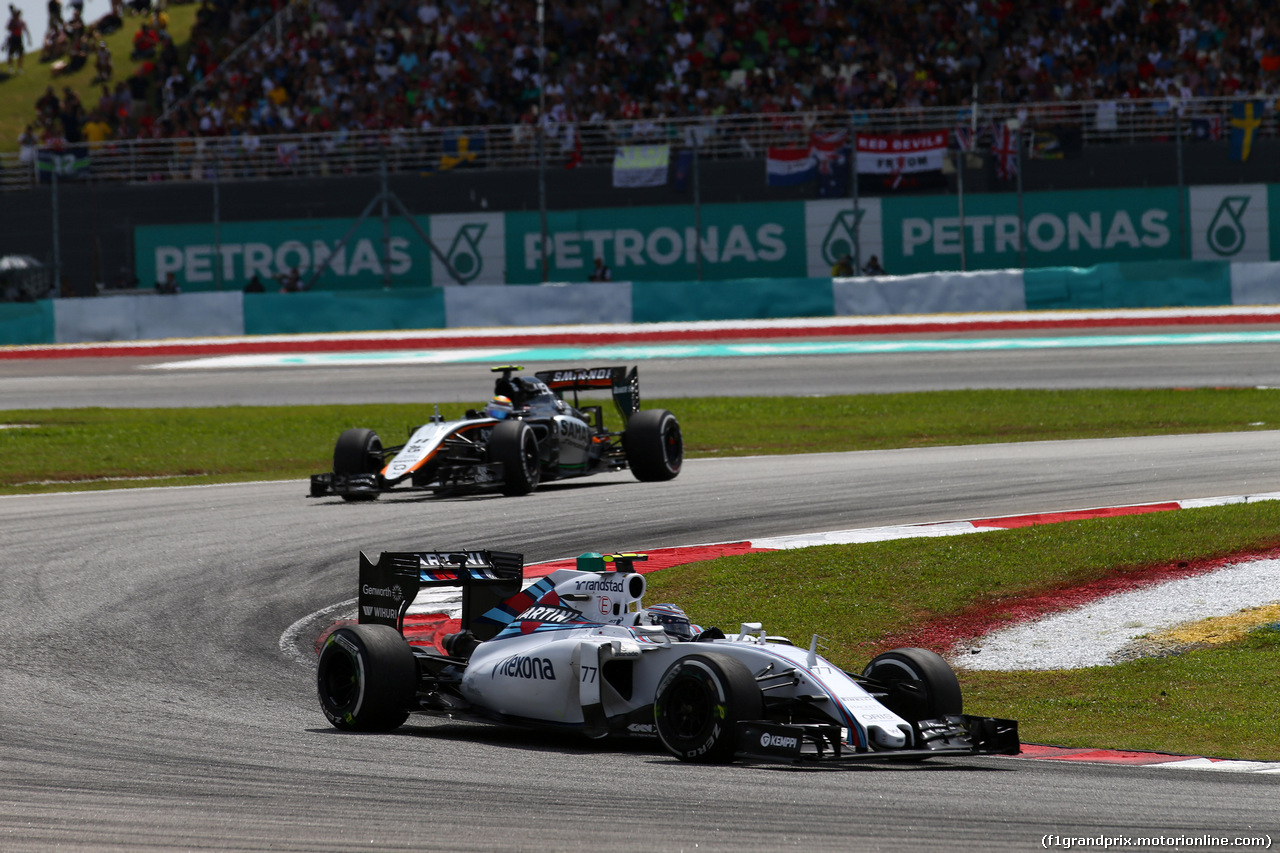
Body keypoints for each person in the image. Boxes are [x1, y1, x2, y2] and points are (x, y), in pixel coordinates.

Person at [6, 5, 31, 74]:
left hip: (19, 38)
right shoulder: (12, 21)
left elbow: (26, 30)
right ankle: (10, 68)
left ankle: (20, 68)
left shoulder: (21, 22)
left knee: (20, 54)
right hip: (13, 38)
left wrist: (29, 39)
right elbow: (8, 28)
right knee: (10, 54)